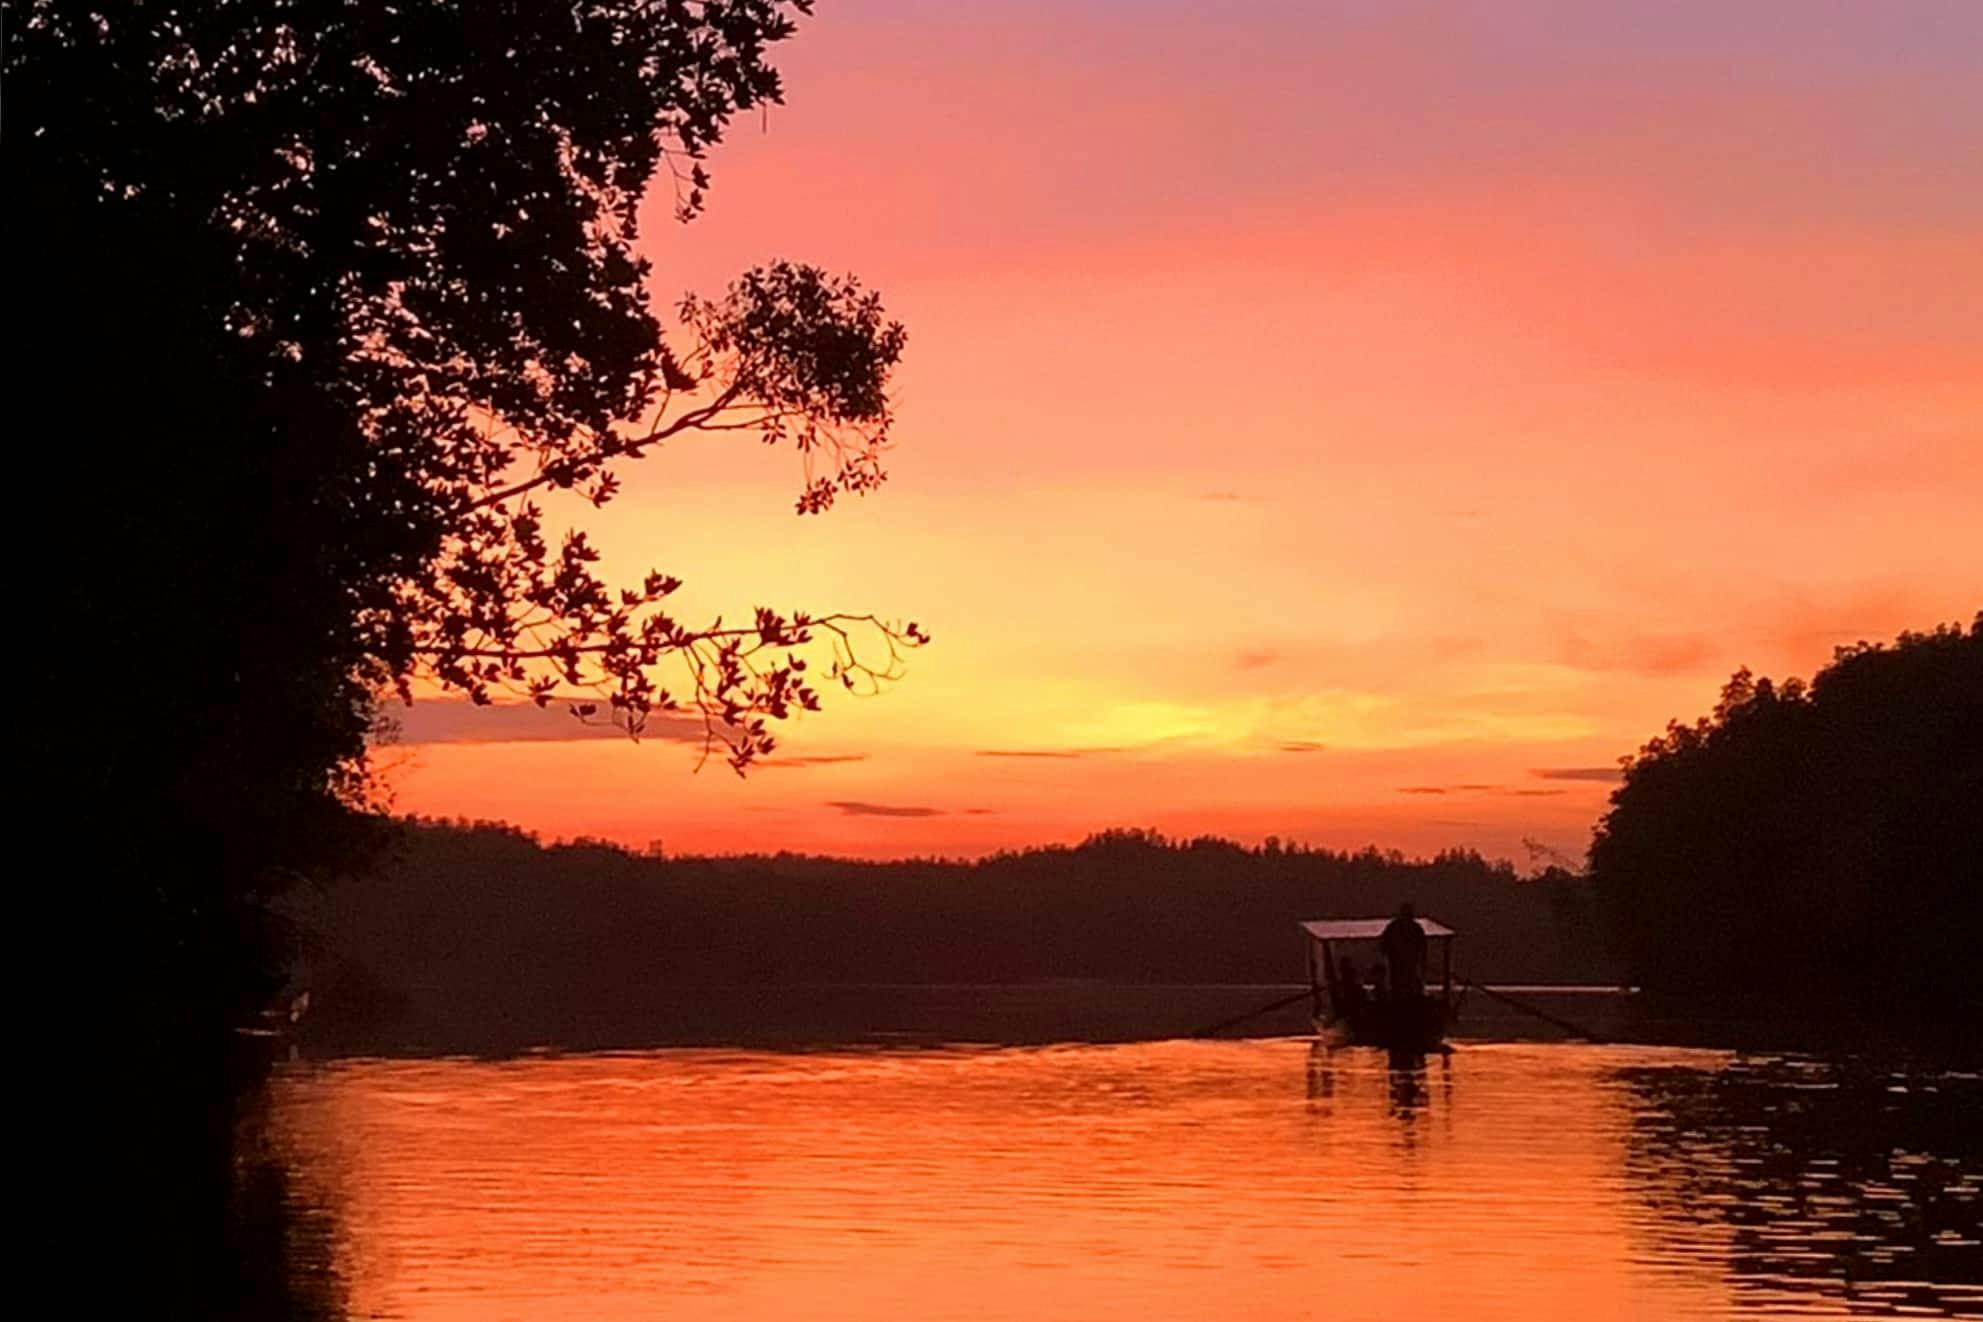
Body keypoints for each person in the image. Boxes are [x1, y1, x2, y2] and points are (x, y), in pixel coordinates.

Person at [1380, 901, 1427, 1000]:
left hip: (1409, 963)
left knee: (1407, 981)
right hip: (1397, 963)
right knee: (1399, 982)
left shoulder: (1415, 928)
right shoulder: (1394, 927)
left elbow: (1422, 946)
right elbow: (1384, 944)